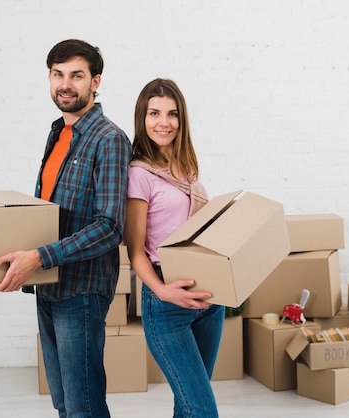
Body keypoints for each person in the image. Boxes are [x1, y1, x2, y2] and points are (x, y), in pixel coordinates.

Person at [0, 39, 132, 418]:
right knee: (65, 406)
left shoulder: (109, 139)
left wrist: (39, 256)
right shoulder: (58, 133)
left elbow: (110, 227)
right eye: (58, 74)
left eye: (76, 75)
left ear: (95, 82)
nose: (65, 84)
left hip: (82, 291)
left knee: (84, 407)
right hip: (49, 285)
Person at [124, 78, 225, 418]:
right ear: (142, 117)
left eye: (172, 113)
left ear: (182, 120)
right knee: (203, 411)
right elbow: (135, 251)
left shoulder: (188, 169)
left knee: (188, 408)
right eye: (154, 113)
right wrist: (162, 292)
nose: (163, 122)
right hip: (167, 303)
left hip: (209, 300)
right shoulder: (139, 173)